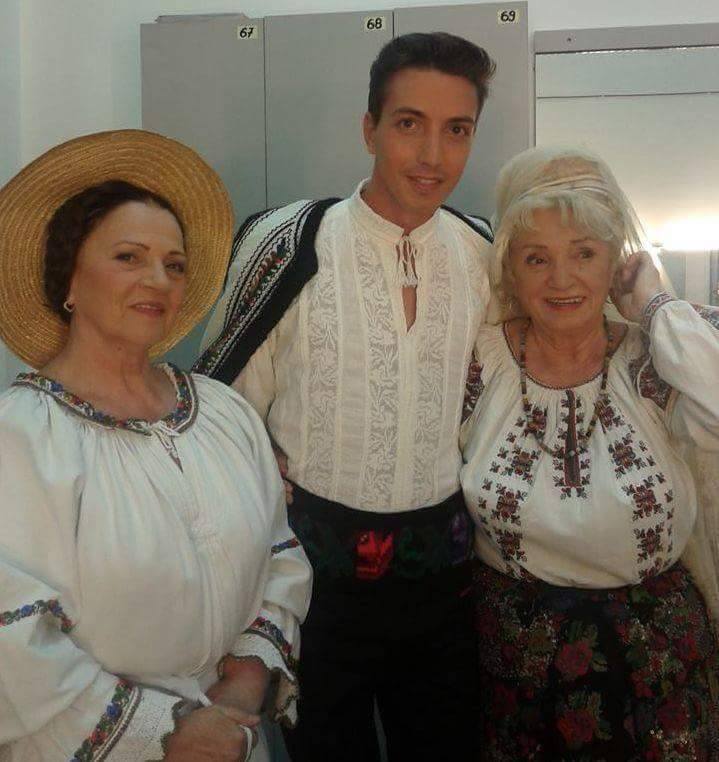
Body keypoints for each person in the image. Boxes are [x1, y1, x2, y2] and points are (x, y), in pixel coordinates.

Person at [195, 33, 496, 761]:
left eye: (456, 129)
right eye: (409, 123)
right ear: (369, 129)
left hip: (445, 587)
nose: (432, 155)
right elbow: (216, 412)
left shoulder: (484, 251)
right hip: (311, 587)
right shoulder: (288, 241)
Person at [0, 129, 311, 762]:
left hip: (234, 735)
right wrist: (165, 731)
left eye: (175, 264)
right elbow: (14, 644)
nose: (159, 279)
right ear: (68, 280)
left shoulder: (223, 414)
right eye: (129, 257)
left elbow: (279, 559)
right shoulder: (21, 437)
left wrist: (246, 680)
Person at [460, 145, 719, 759]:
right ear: (510, 270)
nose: (562, 279)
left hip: (657, 673)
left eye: (584, 253)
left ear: (614, 260)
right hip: (518, 677)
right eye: (537, 258)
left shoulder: (653, 358)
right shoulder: (480, 363)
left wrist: (655, 303)